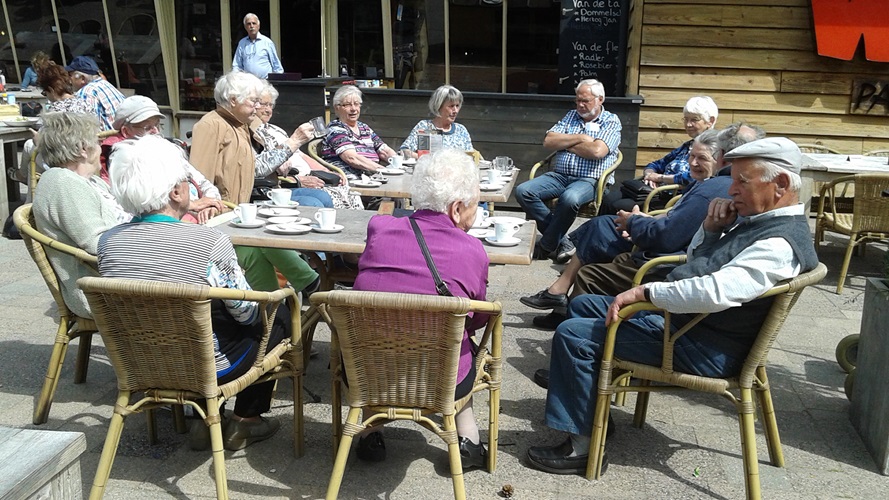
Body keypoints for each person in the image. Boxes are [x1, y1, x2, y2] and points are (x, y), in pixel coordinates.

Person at [526, 137, 819, 476]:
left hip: (703, 345)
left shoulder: (778, 243)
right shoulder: (760, 222)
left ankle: (582, 447)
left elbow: (716, 291)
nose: (732, 189)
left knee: (574, 336)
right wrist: (710, 231)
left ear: (781, 184)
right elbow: (702, 265)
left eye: (742, 180)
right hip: (695, 327)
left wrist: (645, 294)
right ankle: (594, 412)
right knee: (585, 306)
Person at [97, 135, 284, 451]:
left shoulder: (107, 243)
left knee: (203, 318)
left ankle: (200, 420)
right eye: (186, 179)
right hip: (206, 366)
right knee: (275, 317)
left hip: (138, 362)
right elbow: (248, 313)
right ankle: (245, 421)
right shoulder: (208, 242)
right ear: (176, 191)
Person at [351, 148, 489, 468]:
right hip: (440, 377)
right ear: (456, 209)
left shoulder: (379, 228)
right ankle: (468, 445)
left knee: (384, 339)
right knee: (458, 345)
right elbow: (478, 317)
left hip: (368, 372)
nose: (476, 212)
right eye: (476, 205)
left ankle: (368, 434)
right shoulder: (473, 250)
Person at [521, 129, 733, 332]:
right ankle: (560, 296)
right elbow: (674, 215)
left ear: (721, 159)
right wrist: (646, 218)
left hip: (661, 257)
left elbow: (668, 235)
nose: (693, 163)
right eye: (692, 156)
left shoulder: (709, 191)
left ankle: (575, 327)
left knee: (595, 241)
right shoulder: (709, 182)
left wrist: (635, 223)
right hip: (657, 233)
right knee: (602, 225)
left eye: (702, 158)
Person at [515, 79, 622, 264]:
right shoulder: (571, 116)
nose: (580, 105)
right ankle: (564, 241)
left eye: (585, 101)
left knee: (570, 198)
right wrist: (580, 138)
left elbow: (597, 152)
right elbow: (548, 141)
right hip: (559, 175)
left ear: (600, 99)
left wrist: (566, 144)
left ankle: (547, 245)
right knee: (523, 191)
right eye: (577, 100)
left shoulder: (611, 121)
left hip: (590, 180)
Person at [31, 112, 122, 319]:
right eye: (97, 142)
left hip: (113, 279)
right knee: (199, 291)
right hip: (98, 291)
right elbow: (97, 244)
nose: (101, 147)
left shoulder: (88, 181)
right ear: (83, 149)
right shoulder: (64, 184)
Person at [99, 95, 225, 224]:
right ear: (126, 131)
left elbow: (204, 183)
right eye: (147, 128)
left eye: (157, 125)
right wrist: (190, 205)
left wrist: (210, 205)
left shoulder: (166, 151)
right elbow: (125, 211)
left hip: (201, 222)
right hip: (164, 230)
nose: (155, 131)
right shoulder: (120, 163)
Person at [191, 71, 304, 204]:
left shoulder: (240, 125)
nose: (258, 106)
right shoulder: (211, 125)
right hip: (221, 212)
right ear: (233, 100)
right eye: (254, 101)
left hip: (239, 209)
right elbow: (198, 179)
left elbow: (254, 167)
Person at [601, 96, 718, 214]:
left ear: (710, 121)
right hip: (653, 190)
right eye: (686, 119)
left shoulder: (713, 148)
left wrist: (660, 178)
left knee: (617, 206)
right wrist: (650, 174)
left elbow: (695, 177)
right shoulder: (686, 146)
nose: (688, 124)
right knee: (608, 199)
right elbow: (656, 164)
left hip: (672, 199)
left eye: (694, 119)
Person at [254, 82, 362, 209]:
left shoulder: (276, 130)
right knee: (320, 200)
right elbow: (263, 169)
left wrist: (327, 171)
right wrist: (297, 179)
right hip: (286, 183)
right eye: (263, 104)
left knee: (349, 193)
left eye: (270, 105)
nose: (268, 110)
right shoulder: (254, 133)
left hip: (309, 176)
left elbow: (301, 155)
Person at [9, 62, 95, 187]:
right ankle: (26, 183)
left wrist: (38, 139)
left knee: (30, 148)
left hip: (65, 161)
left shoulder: (54, 113)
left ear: (51, 90)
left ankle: (27, 188)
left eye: (45, 93)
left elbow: (47, 142)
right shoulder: (85, 103)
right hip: (87, 156)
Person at [320, 85, 398, 178]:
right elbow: (352, 158)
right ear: (337, 108)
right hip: (351, 179)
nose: (353, 109)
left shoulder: (364, 128)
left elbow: (384, 151)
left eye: (356, 104)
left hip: (372, 176)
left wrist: (398, 163)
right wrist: (383, 170)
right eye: (347, 105)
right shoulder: (335, 129)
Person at [399, 85, 473, 158]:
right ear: (439, 106)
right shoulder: (425, 127)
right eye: (451, 106)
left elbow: (471, 156)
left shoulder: (461, 130)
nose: (455, 111)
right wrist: (424, 158)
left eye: (457, 106)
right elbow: (404, 151)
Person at [66, 56, 125, 131]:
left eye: (70, 75)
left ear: (82, 79)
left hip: (109, 139)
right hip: (122, 135)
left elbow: (88, 127)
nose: (69, 80)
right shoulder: (106, 85)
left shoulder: (87, 92)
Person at [232, 13, 283, 79]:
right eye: (249, 24)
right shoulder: (242, 43)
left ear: (258, 26)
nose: (251, 26)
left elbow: (277, 66)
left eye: (254, 23)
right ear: (245, 27)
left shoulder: (267, 42)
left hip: (265, 83)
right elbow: (237, 66)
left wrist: (277, 83)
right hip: (248, 84)